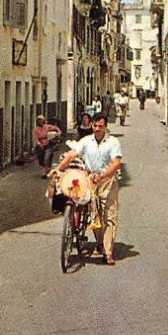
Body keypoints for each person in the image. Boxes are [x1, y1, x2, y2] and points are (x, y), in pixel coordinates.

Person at [50, 110, 121, 265]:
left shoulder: (113, 142)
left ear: (105, 127)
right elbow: (71, 155)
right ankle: (100, 242)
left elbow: (116, 163)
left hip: (107, 180)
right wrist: (59, 169)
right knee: (94, 215)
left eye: (100, 126)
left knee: (108, 216)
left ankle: (108, 252)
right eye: (95, 125)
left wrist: (102, 175)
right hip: (90, 179)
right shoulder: (86, 141)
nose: (97, 128)